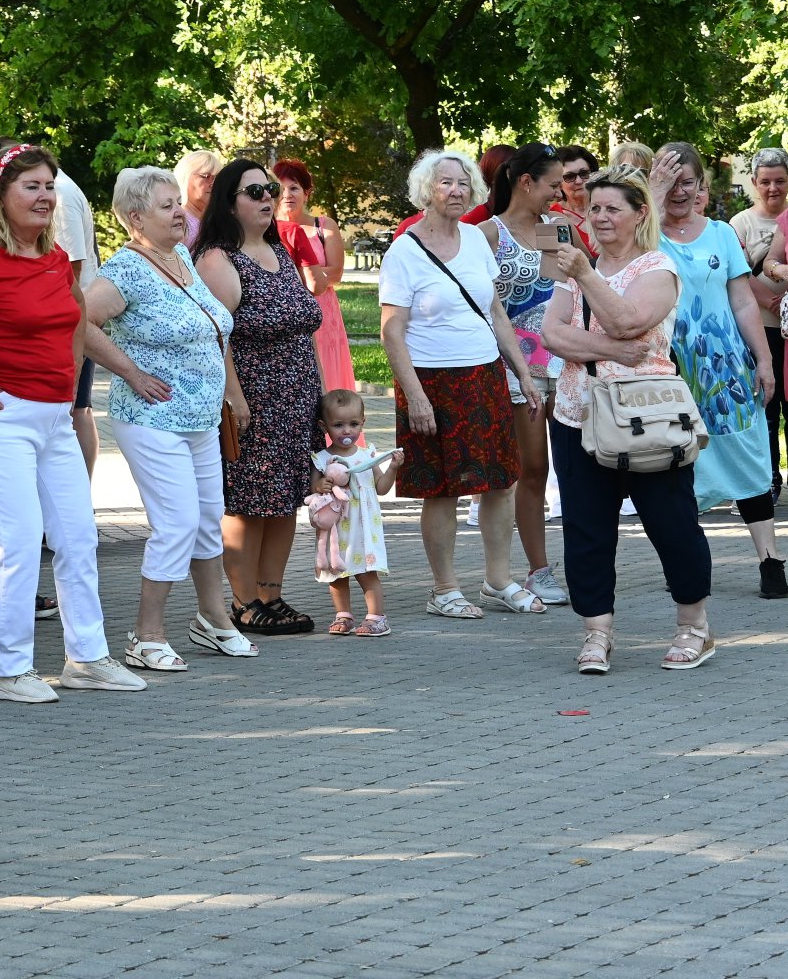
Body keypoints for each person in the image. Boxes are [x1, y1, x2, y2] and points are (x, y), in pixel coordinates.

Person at [0, 144, 144, 703]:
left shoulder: (54, 256)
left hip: (53, 418)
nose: (44, 196)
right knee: (17, 541)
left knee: (77, 538)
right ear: (0, 193)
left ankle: (86, 658)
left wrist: (79, 383)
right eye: (31, 186)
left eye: (48, 186)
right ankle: (8, 671)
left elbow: (75, 318)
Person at [543, 165, 716, 672]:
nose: (600, 218)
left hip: (648, 419)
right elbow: (553, 334)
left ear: (640, 213)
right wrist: (612, 350)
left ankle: (694, 627)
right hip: (577, 416)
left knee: (672, 524)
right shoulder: (577, 266)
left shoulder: (656, 269)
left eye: (612, 208)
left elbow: (628, 319)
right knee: (586, 529)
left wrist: (586, 277)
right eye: (593, 208)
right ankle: (597, 633)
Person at [83, 167, 257, 669]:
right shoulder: (124, 269)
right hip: (152, 417)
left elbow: (210, 329)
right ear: (135, 217)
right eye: (167, 205)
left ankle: (212, 620)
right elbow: (80, 321)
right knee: (176, 523)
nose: (180, 211)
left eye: (178, 201)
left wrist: (233, 393)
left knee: (206, 521)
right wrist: (130, 371)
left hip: (202, 417)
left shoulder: (179, 256)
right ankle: (146, 635)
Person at [378, 150, 548, 619]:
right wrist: (414, 394)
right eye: (445, 183)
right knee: (443, 489)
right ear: (426, 191)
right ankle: (444, 588)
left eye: (463, 184)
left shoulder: (475, 239)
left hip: (485, 374)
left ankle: (498, 580)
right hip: (431, 380)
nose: (456, 191)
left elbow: (495, 313)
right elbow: (392, 330)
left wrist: (523, 373)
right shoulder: (404, 250)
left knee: (500, 482)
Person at [194, 159, 323, 635]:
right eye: (254, 192)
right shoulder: (217, 259)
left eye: (269, 190)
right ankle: (243, 601)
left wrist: (324, 393)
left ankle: (272, 594)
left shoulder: (279, 251)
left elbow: (304, 328)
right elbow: (216, 336)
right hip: (254, 399)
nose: (267, 198)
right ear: (229, 202)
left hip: (297, 397)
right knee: (249, 502)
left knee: (286, 498)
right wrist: (235, 396)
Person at [652, 142, 784, 597]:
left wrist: (763, 360)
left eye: (688, 182)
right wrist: (650, 197)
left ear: (701, 185)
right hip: (666, 368)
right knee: (679, 464)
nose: (680, 192)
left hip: (726, 367)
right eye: (670, 182)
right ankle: (688, 568)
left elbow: (743, 299)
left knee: (748, 454)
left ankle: (770, 560)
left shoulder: (722, 234)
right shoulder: (644, 234)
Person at [476, 142, 570, 606]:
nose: (560, 193)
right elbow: (483, 306)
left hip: (561, 359)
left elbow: (561, 293)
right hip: (514, 368)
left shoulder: (555, 230)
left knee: (573, 465)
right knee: (532, 468)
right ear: (525, 182)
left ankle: (577, 563)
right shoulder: (488, 235)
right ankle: (538, 570)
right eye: (553, 184)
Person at [732, 147, 788, 501]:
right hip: (761, 327)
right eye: (766, 181)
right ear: (755, 183)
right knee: (767, 405)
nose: (773, 188)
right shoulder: (740, 223)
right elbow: (736, 271)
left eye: (780, 181)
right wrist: (772, 301)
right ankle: (769, 477)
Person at [311, 390, 401, 637]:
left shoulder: (367, 456)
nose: (346, 431)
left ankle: (377, 617)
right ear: (324, 426)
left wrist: (392, 468)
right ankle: (343, 614)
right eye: (338, 425)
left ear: (363, 423)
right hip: (336, 529)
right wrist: (321, 486)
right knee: (336, 575)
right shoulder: (322, 459)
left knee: (366, 572)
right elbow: (314, 487)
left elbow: (382, 489)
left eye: (353, 424)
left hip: (364, 528)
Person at [274, 158, 354, 392]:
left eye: (294, 188)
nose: (287, 194)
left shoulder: (324, 225)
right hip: (284, 312)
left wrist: (297, 277)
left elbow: (335, 272)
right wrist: (310, 274)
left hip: (322, 312)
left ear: (307, 193)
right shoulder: (265, 229)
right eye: (281, 188)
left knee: (328, 378)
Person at [53, 167, 103, 474]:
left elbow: (72, 262)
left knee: (78, 408)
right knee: (79, 408)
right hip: (74, 314)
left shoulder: (61, 193)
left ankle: (81, 494)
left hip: (72, 318)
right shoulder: (60, 187)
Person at [552, 145, 600, 255]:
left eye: (584, 173)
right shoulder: (552, 216)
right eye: (569, 176)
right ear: (558, 183)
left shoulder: (610, 208)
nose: (578, 181)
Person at [173, 149, 222, 246]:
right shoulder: (178, 221)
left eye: (217, 178)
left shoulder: (220, 219)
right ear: (186, 177)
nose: (213, 183)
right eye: (206, 176)